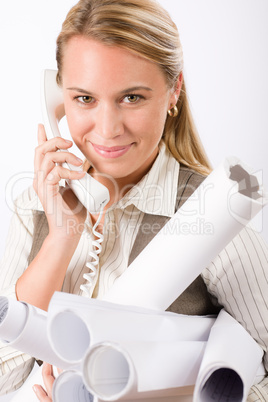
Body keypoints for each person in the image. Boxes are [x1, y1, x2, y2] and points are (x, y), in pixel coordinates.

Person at [0, 0, 267, 400]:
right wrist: (61, 236)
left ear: (173, 89)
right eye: (84, 99)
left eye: (132, 98)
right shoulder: (34, 207)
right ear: (59, 95)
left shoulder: (213, 215)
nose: (107, 130)